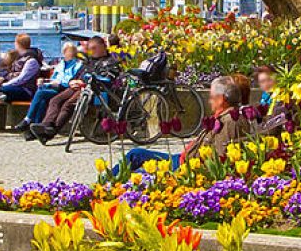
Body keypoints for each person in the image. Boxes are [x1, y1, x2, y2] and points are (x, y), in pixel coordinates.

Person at [123, 75, 251, 173]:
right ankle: (107, 181)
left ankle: (108, 184)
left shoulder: (230, 121)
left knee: (137, 172)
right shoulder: (225, 117)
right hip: (184, 159)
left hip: (186, 167)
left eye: (211, 97)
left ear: (221, 99)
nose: (209, 101)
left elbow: (220, 158)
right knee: (136, 154)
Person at [32, 34, 124, 143]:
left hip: (94, 90)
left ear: (103, 47)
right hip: (77, 87)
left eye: (94, 48)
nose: (92, 51)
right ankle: (46, 125)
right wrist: (72, 81)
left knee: (68, 104)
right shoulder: (89, 61)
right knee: (55, 100)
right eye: (90, 49)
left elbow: (107, 80)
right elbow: (78, 75)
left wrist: (83, 83)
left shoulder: (111, 62)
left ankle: (51, 131)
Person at [18, 41, 82, 137]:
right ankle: (34, 130)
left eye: (73, 51)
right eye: (69, 51)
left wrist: (54, 83)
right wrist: (45, 81)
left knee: (41, 93)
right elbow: (54, 78)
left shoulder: (77, 65)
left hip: (64, 88)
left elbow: (70, 80)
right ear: (64, 52)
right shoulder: (61, 64)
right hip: (55, 87)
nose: (71, 54)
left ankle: (28, 119)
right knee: (43, 100)